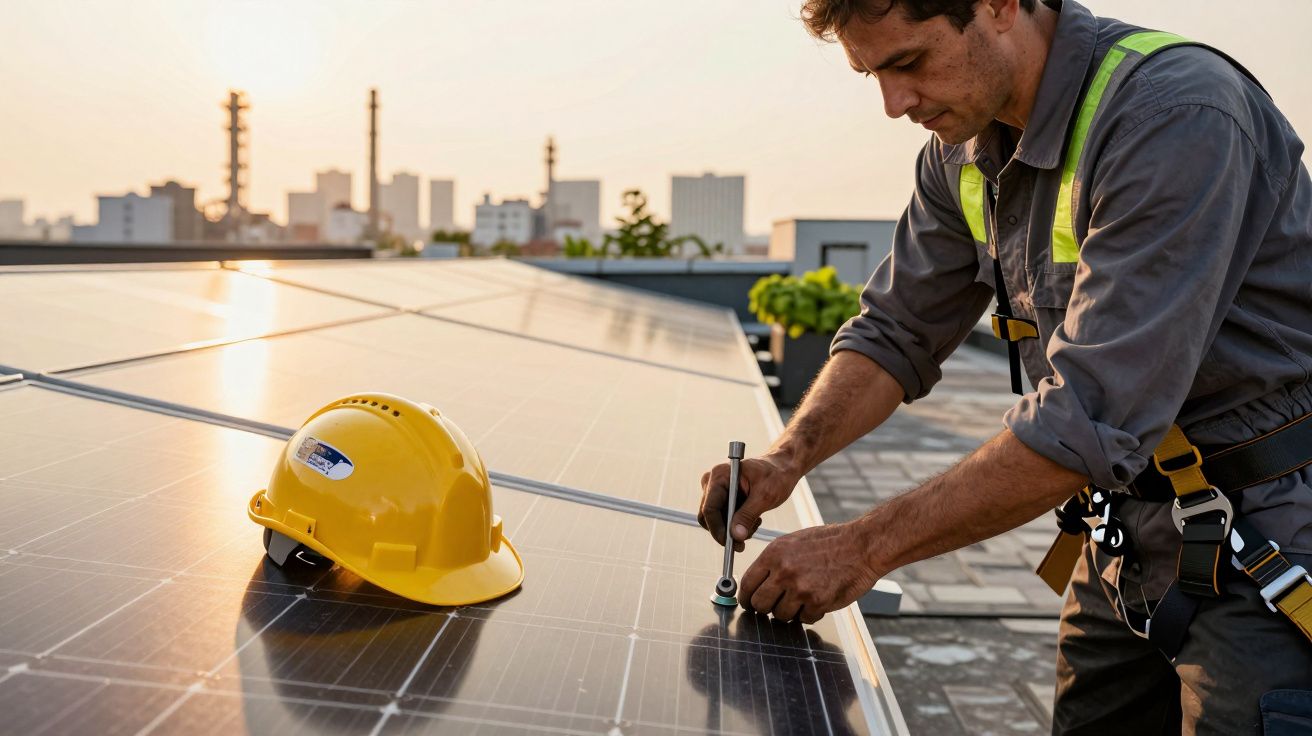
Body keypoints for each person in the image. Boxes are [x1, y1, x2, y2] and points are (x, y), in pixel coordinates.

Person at [696, 0, 1312, 732]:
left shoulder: (1175, 114)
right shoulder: (962, 148)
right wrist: (786, 458)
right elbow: (896, 330)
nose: (894, 105)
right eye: (872, 73)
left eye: (908, 62)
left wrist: (860, 549)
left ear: (998, 6)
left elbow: (1089, 416)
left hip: (1265, 541)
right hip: (1122, 540)